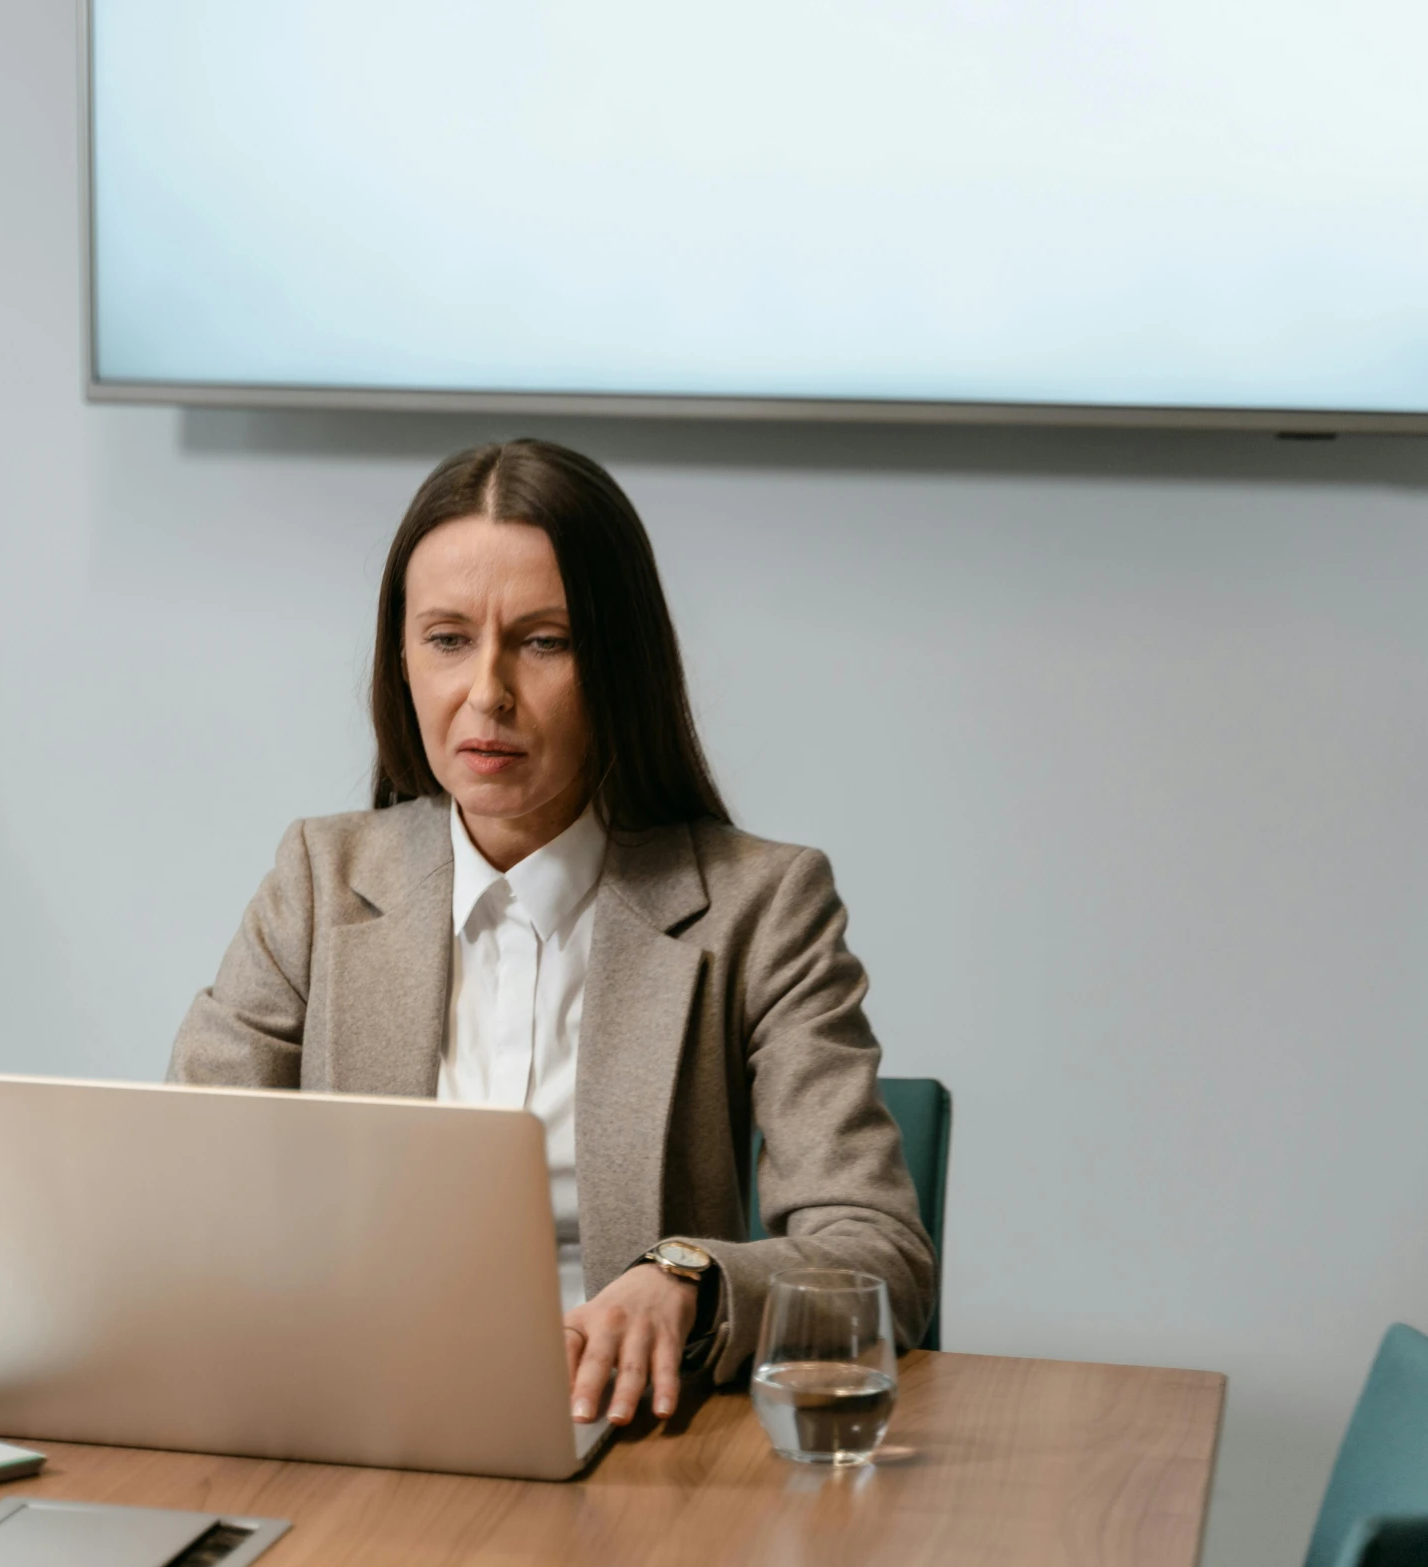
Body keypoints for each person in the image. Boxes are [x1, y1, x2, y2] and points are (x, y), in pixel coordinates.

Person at [169, 438, 933, 1431]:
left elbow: (878, 1252)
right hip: (355, 1421)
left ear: (618, 665)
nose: (486, 692)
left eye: (544, 641)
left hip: (630, 1444)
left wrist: (689, 1277)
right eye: (446, 638)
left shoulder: (762, 903)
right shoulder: (321, 878)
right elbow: (181, 1184)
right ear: (399, 658)